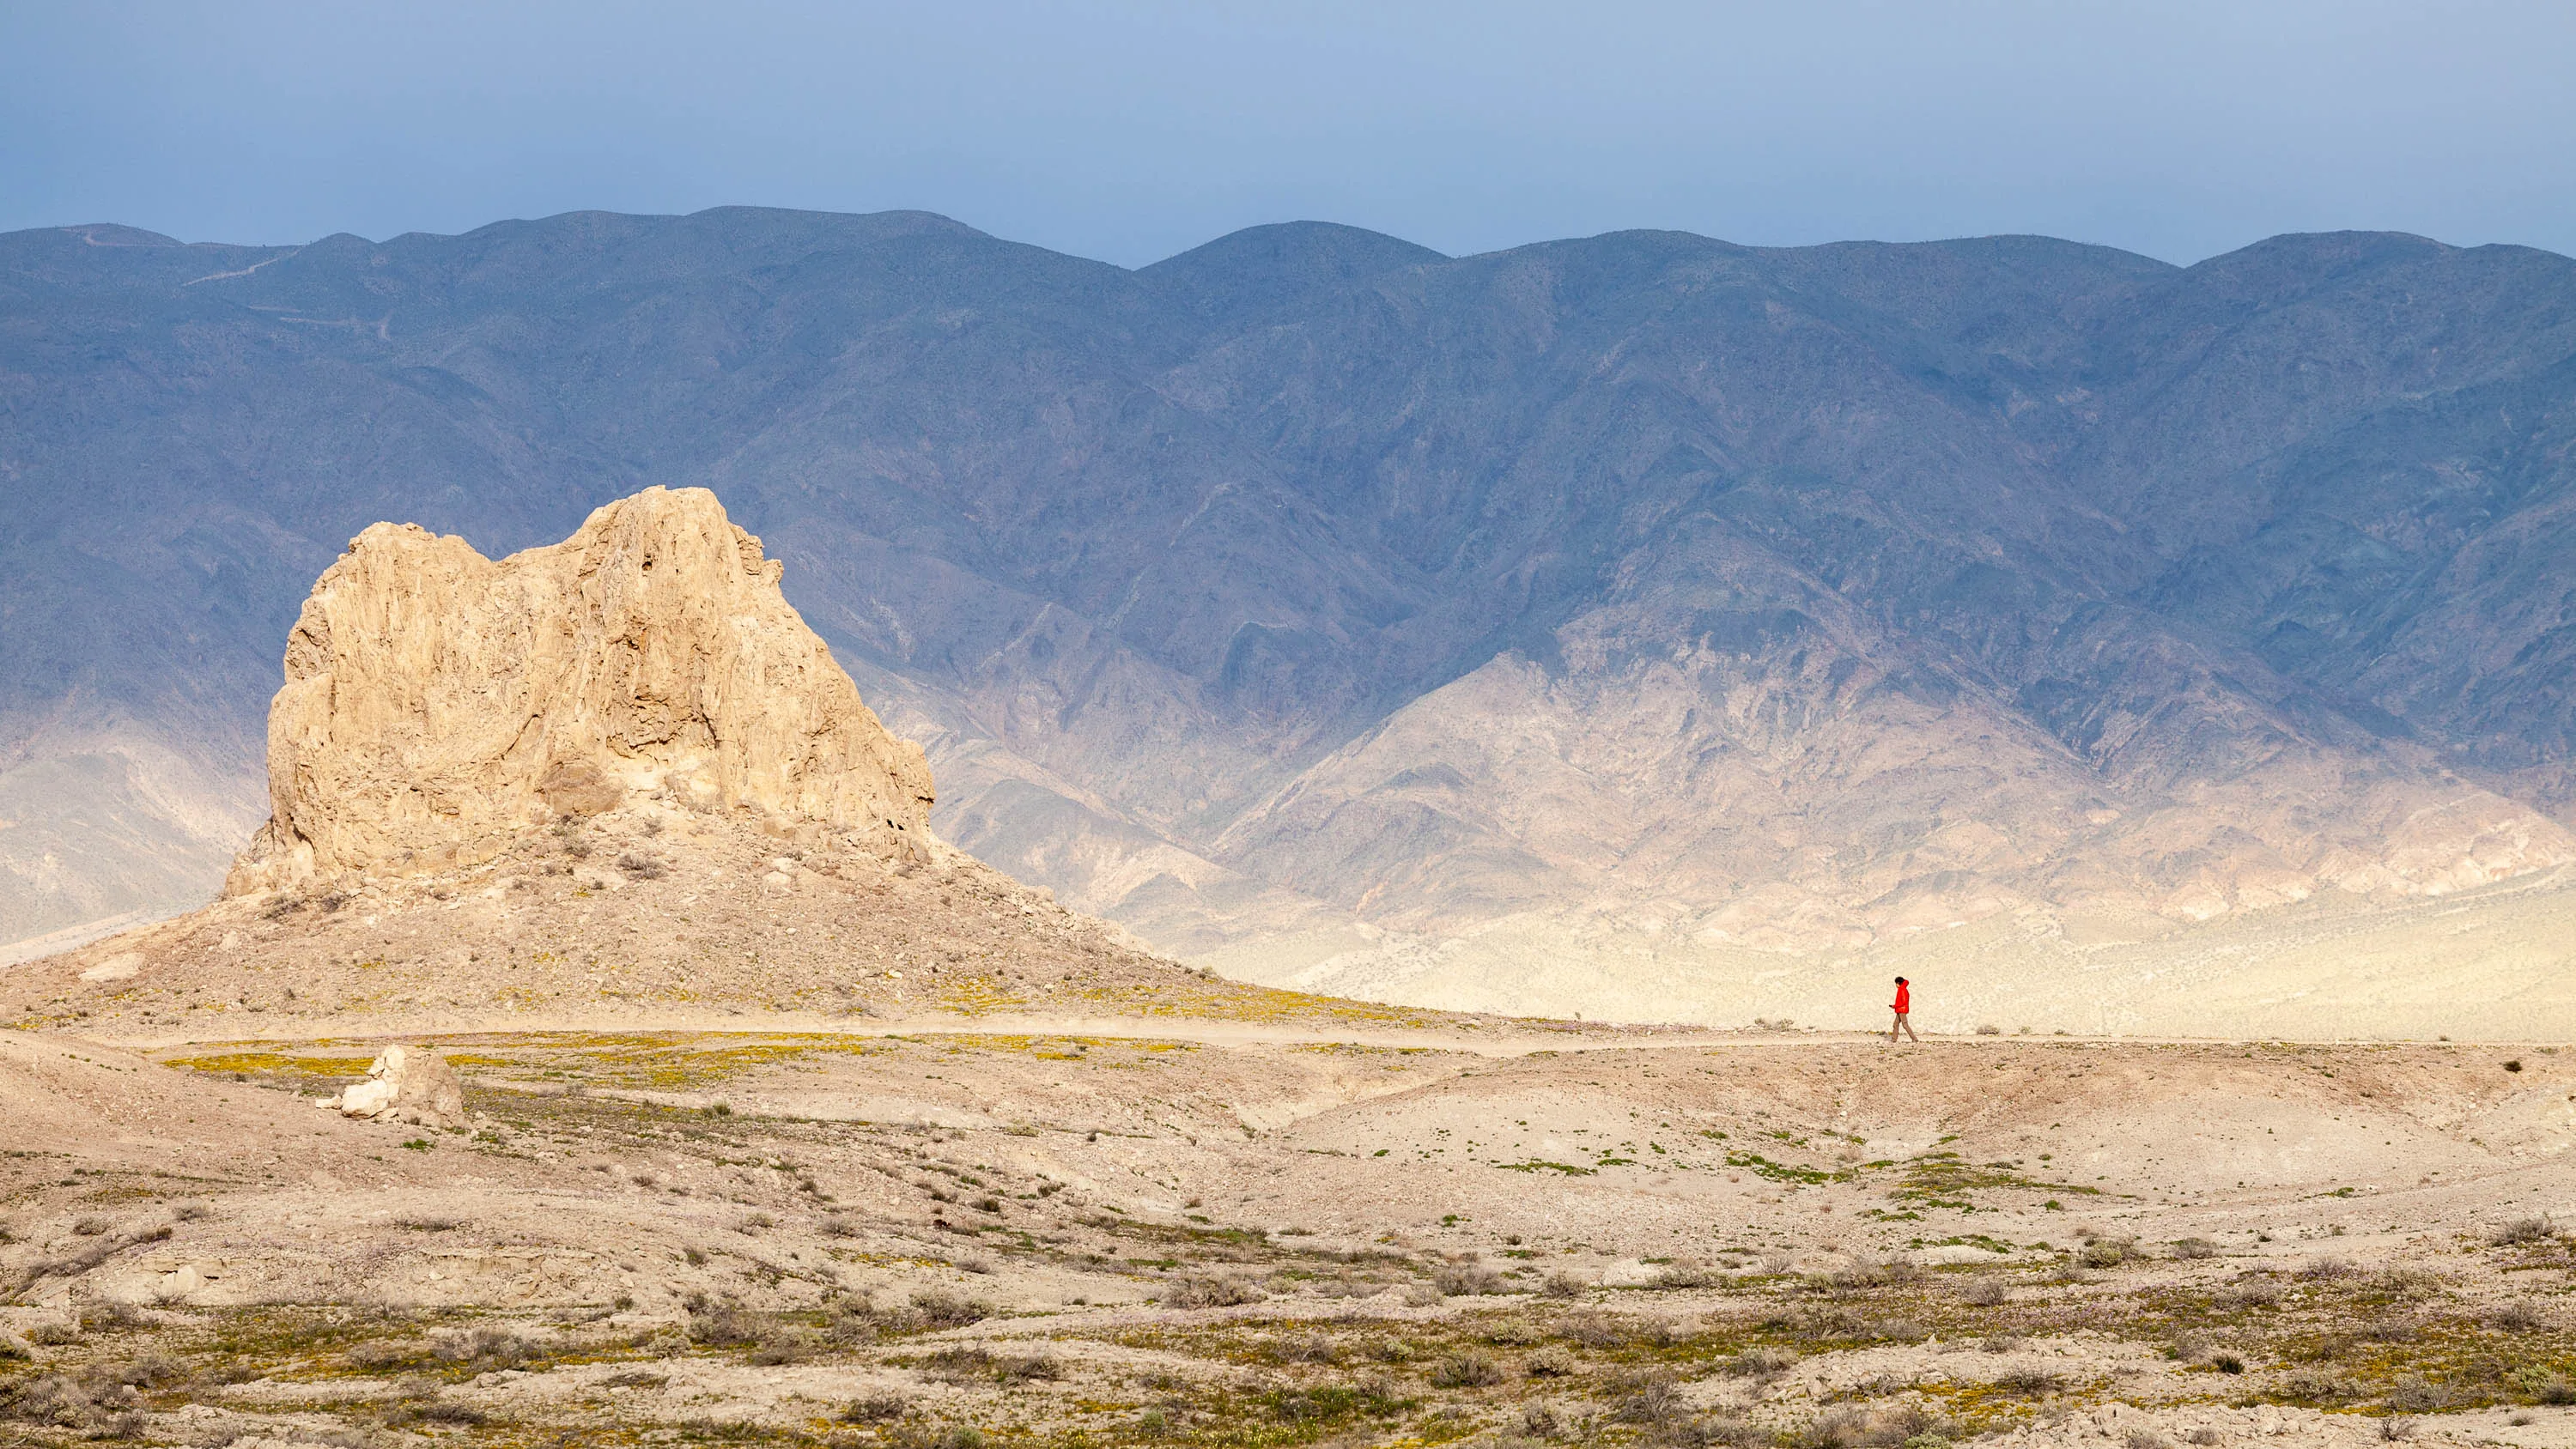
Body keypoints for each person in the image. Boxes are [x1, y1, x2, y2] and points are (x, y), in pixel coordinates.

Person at [1887, 976, 1917, 1044]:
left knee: (1905, 1025)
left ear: (1898, 983)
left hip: (1902, 1010)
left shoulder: (1902, 989)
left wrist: (1894, 1006)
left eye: (1896, 983)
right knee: (1895, 1024)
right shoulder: (1902, 989)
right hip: (1900, 1009)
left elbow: (1903, 1002)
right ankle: (1894, 1039)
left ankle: (1914, 1039)